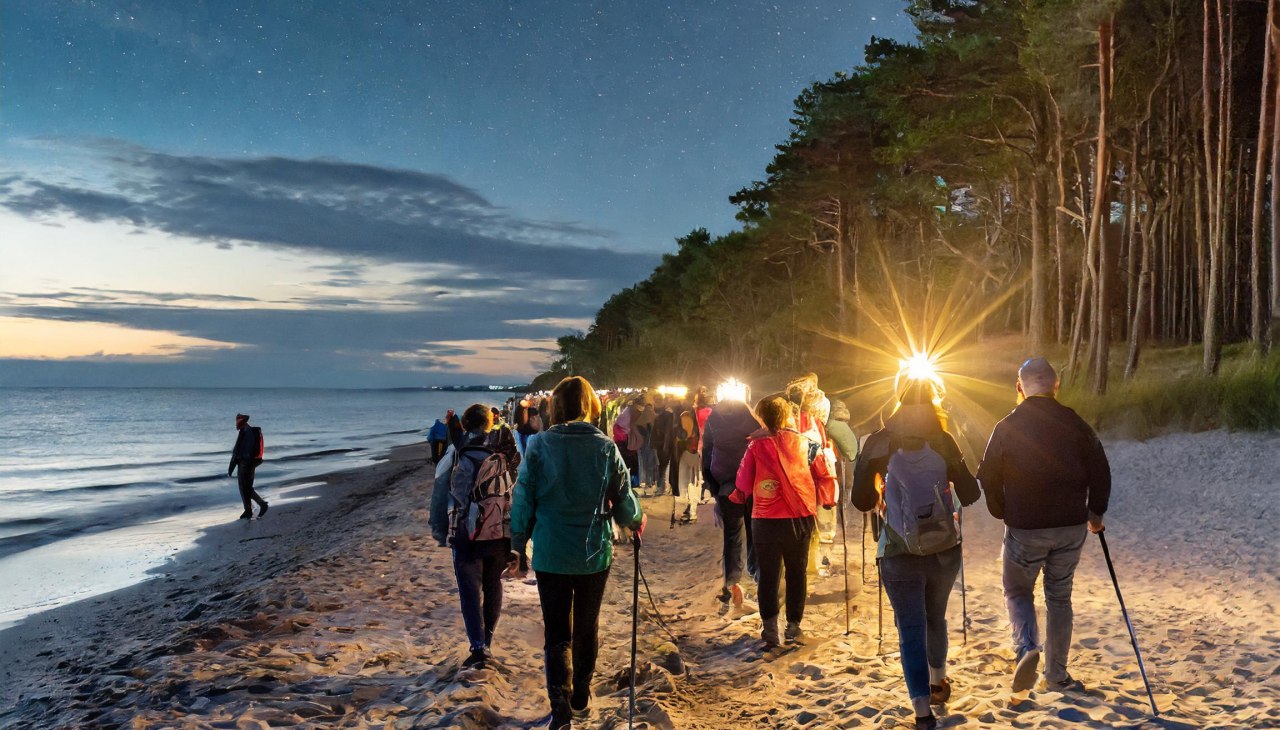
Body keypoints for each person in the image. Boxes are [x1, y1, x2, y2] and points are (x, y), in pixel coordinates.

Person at [511, 376, 644, 729]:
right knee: (587, 626)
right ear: (589, 406)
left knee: (557, 632)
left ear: (556, 407)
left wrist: (517, 543)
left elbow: (523, 495)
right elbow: (623, 495)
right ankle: (581, 692)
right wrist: (633, 520)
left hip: (551, 550)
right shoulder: (604, 446)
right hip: (593, 551)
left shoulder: (538, 445)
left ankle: (560, 705)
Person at [977, 357, 1111, 695]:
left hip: (1026, 526)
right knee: (1059, 597)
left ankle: (1026, 648)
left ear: (1019, 387)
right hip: (1070, 526)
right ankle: (1057, 675)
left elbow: (987, 473)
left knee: (1018, 590)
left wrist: (1001, 510)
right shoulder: (1076, 423)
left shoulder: (1007, 425)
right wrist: (1095, 513)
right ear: (1056, 385)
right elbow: (1101, 469)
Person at [852, 380, 979, 730]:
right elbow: (970, 494)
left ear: (898, 399)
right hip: (943, 549)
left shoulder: (879, 441)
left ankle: (922, 712)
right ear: (934, 400)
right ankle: (939, 682)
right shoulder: (944, 440)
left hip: (897, 549)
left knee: (910, 627)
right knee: (935, 617)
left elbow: (859, 501)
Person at [730, 395, 836, 646]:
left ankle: (770, 632)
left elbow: (743, 483)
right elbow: (825, 475)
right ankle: (793, 627)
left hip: (765, 518)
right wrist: (826, 499)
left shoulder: (755, 447)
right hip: (800, 517)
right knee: (797, 572)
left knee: (769, 574)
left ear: (763, 418)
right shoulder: (808, 444)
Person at [437, 404, 515, 668]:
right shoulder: (501, 450)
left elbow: (453, 491)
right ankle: (488, 641)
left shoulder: (459, 453)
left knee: (470, 592)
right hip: (498, 531)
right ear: (489, 424)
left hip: (468, 532)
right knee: (493, 586)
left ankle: (478, 646)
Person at [701, 384, 759, 606]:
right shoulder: (752, 420)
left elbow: (707, 454)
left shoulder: (714, 420)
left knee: (732, 536)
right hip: (752, 485)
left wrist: (713, 486)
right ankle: (756, 576)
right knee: (755, 533)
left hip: (726, 485)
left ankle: (732, 582)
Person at [228, 413, 268, 519]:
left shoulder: (248, 432)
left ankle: (260, 504)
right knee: (244, 487)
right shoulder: (245, 432)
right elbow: (238, 451)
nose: (236, 424)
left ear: (242, 422)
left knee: (245, 487)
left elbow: (240, 451)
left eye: (238, 421)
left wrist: (233, 465)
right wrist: (233, 465)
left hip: (247, 463)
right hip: (246, 463)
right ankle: (248, 510)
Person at [674, 402, 702, 523]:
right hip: (696, 456)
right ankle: (691, 511)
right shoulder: (698, 427)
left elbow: (680, 440)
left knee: (687, 485)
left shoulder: (683, 429)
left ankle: (691, 511)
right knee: (694, 485)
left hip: (687, 456)